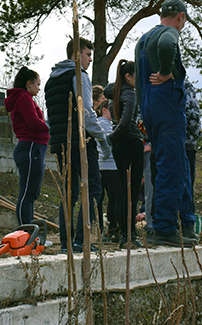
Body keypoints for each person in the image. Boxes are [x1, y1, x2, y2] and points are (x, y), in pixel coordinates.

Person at [135, 0, 197, 247]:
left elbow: (140, 83)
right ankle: (164, 228)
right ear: (181, 16)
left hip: (150, 108)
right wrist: (167, 72)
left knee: (173, 163)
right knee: (172, 166)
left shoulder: (143, 39)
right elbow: (170, 43)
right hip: (168, 107)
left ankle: (187, 223)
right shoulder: (169, 33)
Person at [44, 38, 109, 253]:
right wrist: (102, 140)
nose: (90, 59)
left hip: (61, 143)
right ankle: (82, 240)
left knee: (68, 194)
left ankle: (66, 243)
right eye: (87, 54)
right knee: (92, 189)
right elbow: (87, 114)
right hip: (81, 142)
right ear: (75, 54)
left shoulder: (51, 80)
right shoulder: (79, 76)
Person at [4, 66, 49, 226]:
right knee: (27, 194)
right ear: (29, 84)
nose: (39, 87)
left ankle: (28, 231)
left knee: (30, 193)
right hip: (31, 147)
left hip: (34, 148)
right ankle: (26, 232)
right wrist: (49, 126)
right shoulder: (24, 97)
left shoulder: (25, 98)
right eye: (37, 84)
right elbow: (33, 122)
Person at [107, 60, 144, 248]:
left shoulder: (116, 92)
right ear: (128, 76)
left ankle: (124, 235)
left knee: (123, 191)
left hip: (120, 146)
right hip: (130, 143)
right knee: (132, 192)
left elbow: (107, 89)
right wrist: (111, 137)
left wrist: (113, 139)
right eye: (136, 76)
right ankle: (130, 235)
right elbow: (127, 120)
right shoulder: (129, 93)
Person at [95, 100, 121, 241]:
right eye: (112, 110)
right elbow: (110, 143)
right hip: (109, 165)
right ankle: (114, 228)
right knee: (117, 196)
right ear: (104, 109)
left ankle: (108, 228)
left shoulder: (106, 124)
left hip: (104, 165)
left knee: (109, 197)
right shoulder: (103, 124)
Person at [184, 78, 202, 199]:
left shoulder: (152, 82)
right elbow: (193, 117)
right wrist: (195, 135)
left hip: (160, 145)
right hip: (186, 144)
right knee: (186, 190)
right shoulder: (184, 85)